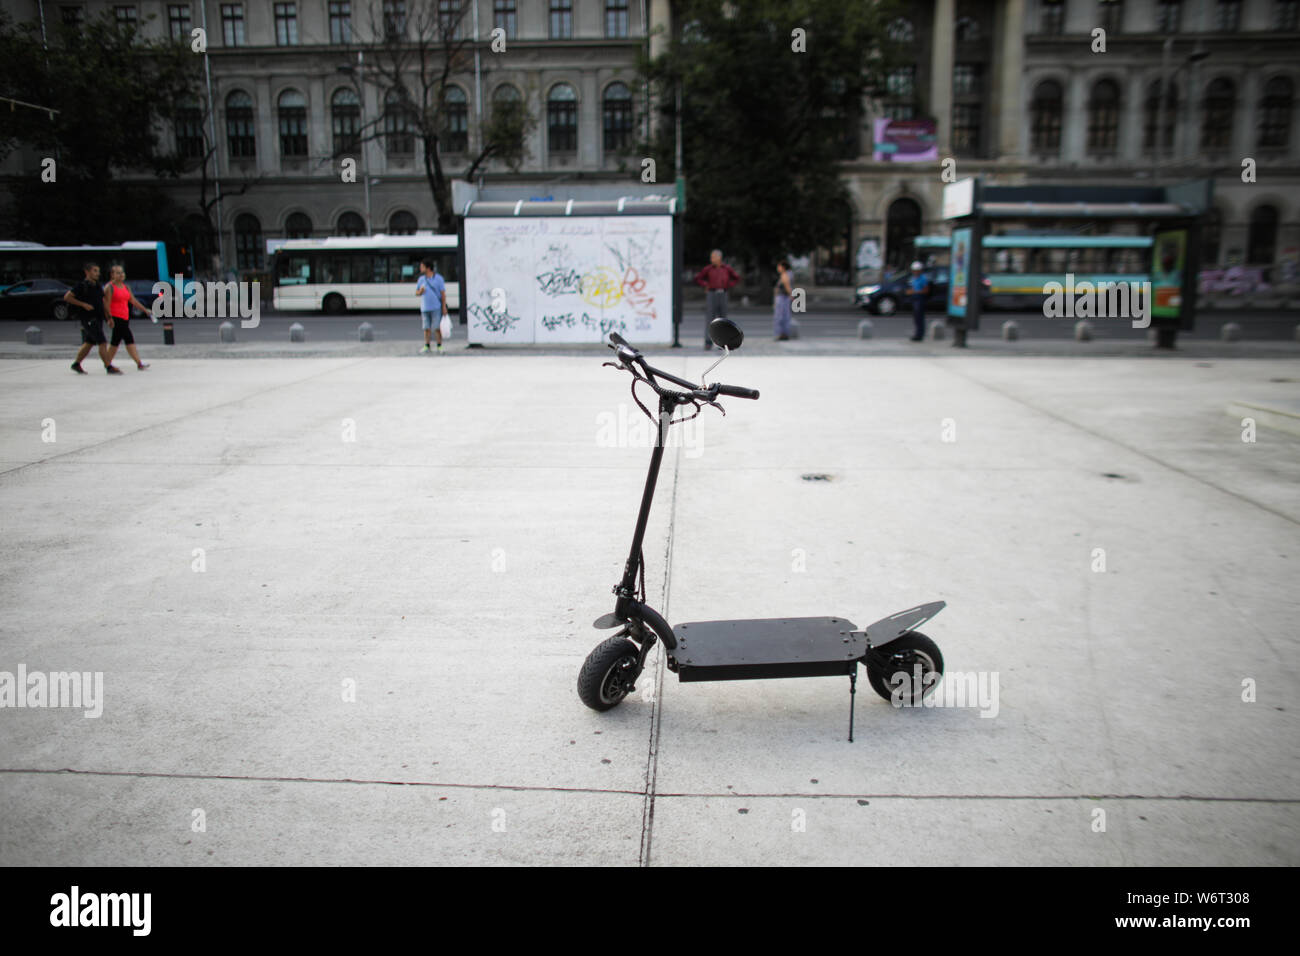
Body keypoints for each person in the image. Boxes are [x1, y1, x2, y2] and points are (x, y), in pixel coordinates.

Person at [65, 262, 121, 375]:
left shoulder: (97, 285)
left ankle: (76, 364)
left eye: (98, 271)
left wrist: (109, 317)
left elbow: (103, 302)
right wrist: (83, 304)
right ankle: (108, 366)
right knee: (102, 342)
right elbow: (67, 297)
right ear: (87, 272)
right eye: (95, 271)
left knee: (89, 342)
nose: (97, 274)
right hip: (88, 318)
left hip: (98, 317)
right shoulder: (81, 285)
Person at [102, 264, 152, 370]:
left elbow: (133, 300)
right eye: (118, 273)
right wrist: (109, 318)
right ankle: (138, 363)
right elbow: (106, 304)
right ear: (112, 275)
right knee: (127, 339)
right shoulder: (109, 287)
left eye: (122, 272)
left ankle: (108, 363)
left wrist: (145, 310)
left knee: (116, 341)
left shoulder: (126, 287)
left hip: (125, 317)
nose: (121, 275)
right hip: (116, 317)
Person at [694, 249, 740, 349]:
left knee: (723, 319)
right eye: (711, 257)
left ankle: (723, 343)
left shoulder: (727, 269)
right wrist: (705, 285)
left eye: (713, 257)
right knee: (710, 318)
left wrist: (729, 285)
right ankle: (708, 342)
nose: (712, 259)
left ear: (719, 258)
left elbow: (736, 278)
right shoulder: (708, 269)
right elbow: (698, 278)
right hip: (712, 293)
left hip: (723, 293)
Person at [415, 258, 447, 354]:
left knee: (436, 327)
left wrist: (444, 307)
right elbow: (416, 292)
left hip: (436, 307)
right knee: (426, 328)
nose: (420, 268)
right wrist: (420, 292)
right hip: (425, 307)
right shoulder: (421, 279)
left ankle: (439, 345)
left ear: (428, 268)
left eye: (422, 267)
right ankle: (427, 345)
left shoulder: (439, 279)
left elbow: (443, 293)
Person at [908, 260, 929, 342]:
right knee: (916, 317)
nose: (915, 272)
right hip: (914, 298)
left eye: (916, 270)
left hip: (920, 298)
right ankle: (917, 333)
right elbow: (912, 287)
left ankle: (920, 334)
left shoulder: (923, 278)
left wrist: (915, 292)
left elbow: (926, 290)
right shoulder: (913, 278)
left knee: (920, 317)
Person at [772, 259, 793, 341]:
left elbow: (787, 286)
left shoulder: (784, 275)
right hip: (783, 298)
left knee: (780, 316)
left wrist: (791, 295)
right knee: (784, 316)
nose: (778, 268)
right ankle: (784, 333)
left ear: (783, 267)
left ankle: (781, 334)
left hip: (782, 298)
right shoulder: (788, 274)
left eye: (779, 266)